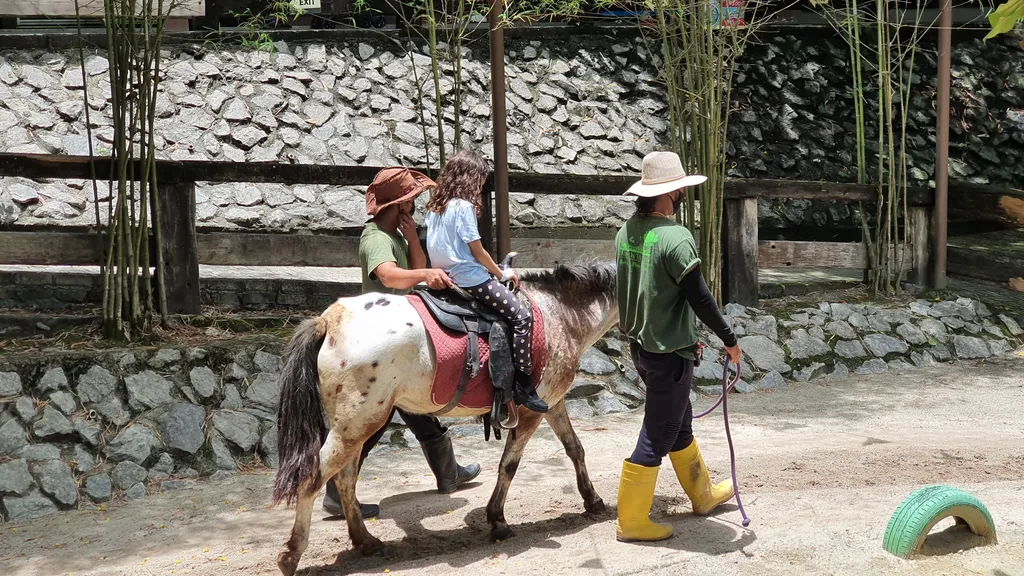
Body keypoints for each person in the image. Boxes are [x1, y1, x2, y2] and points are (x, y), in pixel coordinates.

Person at [321, 166, 482, 519]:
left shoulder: (395, 233)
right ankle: (335, 490)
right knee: (371, 423)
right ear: (399, 204)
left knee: (418, 409)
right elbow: (391, 276)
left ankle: (449, 472)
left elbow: (416, 265)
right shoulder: (376, 237)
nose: (415, 204)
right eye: (411, 200)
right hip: (382, 339)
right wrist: (423, 274)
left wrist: (412, 241)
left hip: (401, 337)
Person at [614, 151, 743, 543]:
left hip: (641, 347)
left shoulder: (626, 231)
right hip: (670, 352)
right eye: (682, 186)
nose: (685, 190)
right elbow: (700, 298)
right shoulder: (676, 237)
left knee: (678, 420)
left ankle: (702, 496)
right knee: (660, 430)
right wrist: (730, 339)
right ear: (671, 193)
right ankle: (632, 522)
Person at [422, 148, 548, 414]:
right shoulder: (464, 207)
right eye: (480, 179)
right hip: (470, 279)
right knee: (521, 316)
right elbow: (478, 252)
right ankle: (524, 383)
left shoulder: (434, 208)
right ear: (471, 178)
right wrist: (501, 274)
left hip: (446, 277)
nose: (480, 185)